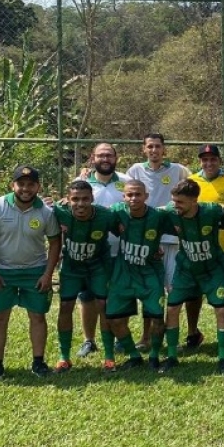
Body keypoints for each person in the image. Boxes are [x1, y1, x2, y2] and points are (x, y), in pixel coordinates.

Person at [0, 165, 62, 381]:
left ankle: (38, 362)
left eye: (31, 184)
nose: (26, 188)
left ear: (38, 186)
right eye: (21, 184)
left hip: (34, 271)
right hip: (2, 271)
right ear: (12, 185)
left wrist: (47, 274)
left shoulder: (45, 211)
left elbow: (54, 243)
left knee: (37, 316)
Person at [126, 133, 190, 350]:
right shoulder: (134, 171)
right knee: (149, 291)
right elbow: (123, 190)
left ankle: (173, 338)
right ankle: (146, 337)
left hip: (172, 239)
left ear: (165, 150)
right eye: (150, 146)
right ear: (144, 149)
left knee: (173, 290)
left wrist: (223, 172)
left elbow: (198, 181)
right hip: (146, 241)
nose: (154, 150)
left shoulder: (178, 170)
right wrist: (85, 174)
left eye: (158, 147)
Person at [165, 179, 224, 374]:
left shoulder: (211, 211)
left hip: (213, 269)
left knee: (221, 311)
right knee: (172, 308)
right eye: (174, 201)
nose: (175, 205)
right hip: (185, 269)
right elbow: (150, 213)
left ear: (194, 201)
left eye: (180, 202)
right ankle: (171, 356)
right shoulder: (170, 212)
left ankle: (222, 358)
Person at [104, 180, 173, 372]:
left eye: (138, 194)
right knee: (114, 319)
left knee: (157, 317)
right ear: (124, 196)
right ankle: (133, 356)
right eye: (129, 195)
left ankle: (154, 356)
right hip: (123, 272)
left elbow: (182, 218)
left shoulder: (158, 216)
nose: (133, 198)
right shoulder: (116, 212)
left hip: (150, 272)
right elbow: (95, 217)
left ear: (146, 196)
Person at [52, 180, 115, 373]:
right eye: (75, 199)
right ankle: (64, 357)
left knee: (104, 306)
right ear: (68, 200)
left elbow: (126, 227)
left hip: (98, 266)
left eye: (85, 199)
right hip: (71, 268)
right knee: (65, 307)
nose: (80, 204)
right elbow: (39, 208)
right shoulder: (59, 211)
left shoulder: (106, 215)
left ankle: (109, 357)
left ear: (92, 199)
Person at [183, 144, 224, 351]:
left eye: (213, 159)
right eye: (204, 159)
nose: (208, 163)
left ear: (220, 161)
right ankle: (192, 333)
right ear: (200, 161)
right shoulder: (191, 182)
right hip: (197, 248)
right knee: (193, 292)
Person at [74, 142, 129, 358]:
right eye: (101, 155)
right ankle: (89, 341)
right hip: (90, 253)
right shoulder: (81, 182)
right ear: (92, 158)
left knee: (119, 296)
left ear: (116, 158)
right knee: (87, 297)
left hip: (121, 251)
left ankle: (120, 338)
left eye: (109, 155)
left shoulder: (126, 182)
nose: (105, 159)